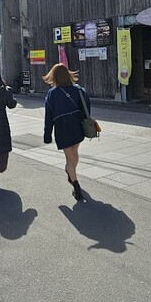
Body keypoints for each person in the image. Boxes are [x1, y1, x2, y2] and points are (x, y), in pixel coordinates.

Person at [42, 63, 90, 201]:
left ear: (54, 76)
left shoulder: (52, 94)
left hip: (62, 128)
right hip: (77, 127)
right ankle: (71, 173)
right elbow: (86, 108)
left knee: (69, 158)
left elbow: (48, 117)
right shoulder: (79, 90)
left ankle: (76, 185)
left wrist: (47, 135)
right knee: (74, 154)